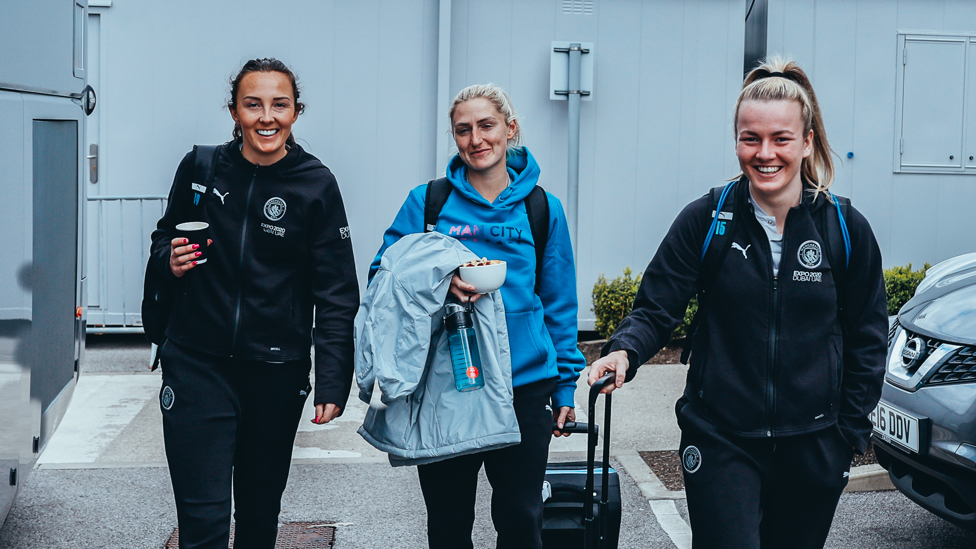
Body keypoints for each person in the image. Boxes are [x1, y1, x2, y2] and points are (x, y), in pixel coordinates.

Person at [588, 57, 887, 549]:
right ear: (737, 142)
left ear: (807, 141)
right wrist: (623, 351)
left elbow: (869, 337)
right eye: (751, 138)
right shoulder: (707, 219)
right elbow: (656, 308)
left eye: (780, 139)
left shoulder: (844, 229)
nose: (764, 153)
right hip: (720, 438)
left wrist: (846, 434)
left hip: (813, 444)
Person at [149, 58, 359, 549]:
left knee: (260, 517)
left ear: (296, 112)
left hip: (275, 372)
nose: (267, 117)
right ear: (234, 112)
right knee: (202, 520)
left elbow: (336, 291)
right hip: (196, 361)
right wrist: (170, 259)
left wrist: (332, 376)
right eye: (253, 104)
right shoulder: (201, 168)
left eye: (279, 104)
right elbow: (164, 238)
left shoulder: (315, 184)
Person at [369, 83, 587, 549]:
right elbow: (384, 271)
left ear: (510, 129)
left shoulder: (542, 208)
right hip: (447, 384)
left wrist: (566, 385)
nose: (476, 139)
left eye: (487, 126)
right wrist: (439, 277)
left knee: (521, 519)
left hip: (524, 385)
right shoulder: (428, 202)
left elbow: (561, 305)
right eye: (463, 130)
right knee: (448, 524)